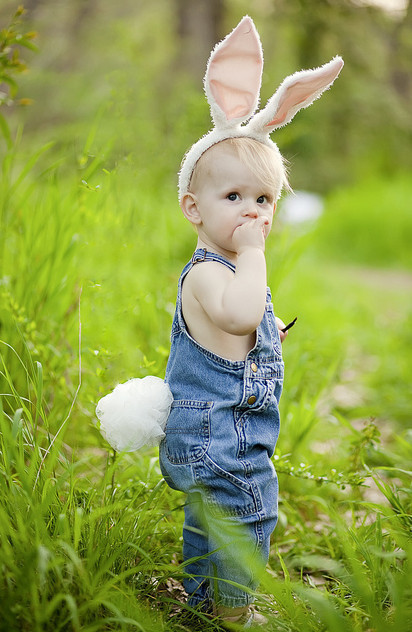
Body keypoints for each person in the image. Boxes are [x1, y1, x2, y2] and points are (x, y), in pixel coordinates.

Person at [159, 16, 343, 627]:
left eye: (262, 200)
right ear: (194, 208)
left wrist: (270, 334)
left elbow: (238, 330)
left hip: (214, 428)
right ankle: (230, 613)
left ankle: (204, 605)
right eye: (233, 197)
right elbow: (236, 311)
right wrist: (258, 255)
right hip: (221, 434)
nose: (251, 213)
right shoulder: (210, 272)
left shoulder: (225, 267)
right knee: (248, 514)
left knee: (213, 519)